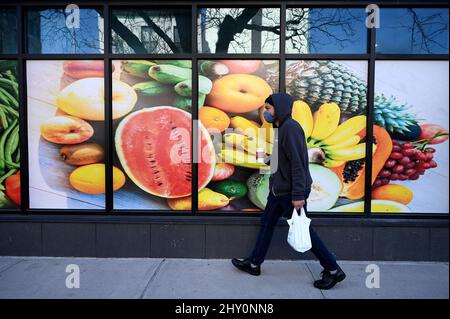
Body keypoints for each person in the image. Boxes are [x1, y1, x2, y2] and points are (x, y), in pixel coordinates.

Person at [231, 93, 346, 290]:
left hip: (289, 192)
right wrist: (265, 158)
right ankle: (254, 263)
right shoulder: (281, 128)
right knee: (267, 224)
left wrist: (298, 195)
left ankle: (333, 270)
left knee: (304, 231)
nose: (265, 112)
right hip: (278, 191)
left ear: (280, 109)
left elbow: (298, 165)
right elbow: (280, 160)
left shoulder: (290, 129)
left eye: (268, 108)